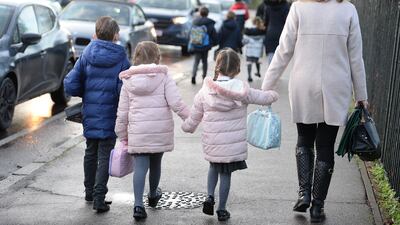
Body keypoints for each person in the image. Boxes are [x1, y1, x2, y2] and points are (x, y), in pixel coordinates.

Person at [261, 0, 369, 223]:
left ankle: (304, 193)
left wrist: (266, 86)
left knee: (304, 139)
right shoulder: (348, 9)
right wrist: (361, 95)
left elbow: (284, 50)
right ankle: (318, 206)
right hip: (336, 85)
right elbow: (355, 57)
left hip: (304, 83)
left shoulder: (299, 7)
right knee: (325, 145)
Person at [182, 48, 279, 221]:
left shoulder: (205, 91)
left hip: (213, 142)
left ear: (217, 67)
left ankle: (210, 196)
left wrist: (187, 127)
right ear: (237, 69)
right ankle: (221, 209)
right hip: (231, 145)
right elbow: (262, 97)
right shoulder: (242, 91)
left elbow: (195, 115)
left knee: (213, 167)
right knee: (225, 174)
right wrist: (273, 95)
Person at [115, 41, 189, 221]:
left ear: (136, 58)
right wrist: (190, 118)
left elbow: (122, 112)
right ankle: (154, 194)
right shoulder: (163, 76)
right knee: (156, 163)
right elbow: (176, 103)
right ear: (157, 57)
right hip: (159, 129)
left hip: (138, 131)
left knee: (140, 167)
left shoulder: (128, 81)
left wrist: (122, 134)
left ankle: (138, 205)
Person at [64, 16, 130, 213]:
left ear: (97, 32)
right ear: (115, 35)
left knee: (90, 151)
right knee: (104, 155)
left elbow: (70, 84)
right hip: (110, 114)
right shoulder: (121, 58)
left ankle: (89, 192)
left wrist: (86, 91)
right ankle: (99, 198)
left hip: (90, 113)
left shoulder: (86, 54)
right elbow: (123, 90)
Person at [190, 6, 218, 85]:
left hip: (196, 44)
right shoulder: (210, 23)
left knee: (196, 61)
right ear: (207, 13)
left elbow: (190, 33)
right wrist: (214, 43)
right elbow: (214, 35)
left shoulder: (195, 21)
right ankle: (204, 77)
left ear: (200, 13)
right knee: (205, 62)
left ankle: (193, 76)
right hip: (205, 46)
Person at [262, 0, 290, 66]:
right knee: (280, 59)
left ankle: (271, 74)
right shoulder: (286, 6)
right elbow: (288, 22)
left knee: (271, 57)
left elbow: (265, 23)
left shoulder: (267, 6)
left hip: (270, 34)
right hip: (282, 34)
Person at [243, 17, 266, 82]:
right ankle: (258, 72)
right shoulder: (262, 31)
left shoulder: (248, 31)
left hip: (249, 50)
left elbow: (244, 40)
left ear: (253, 23)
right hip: (257, 50)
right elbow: (264, 40)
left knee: (249, 62)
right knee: (256, 61)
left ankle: (249, 76)